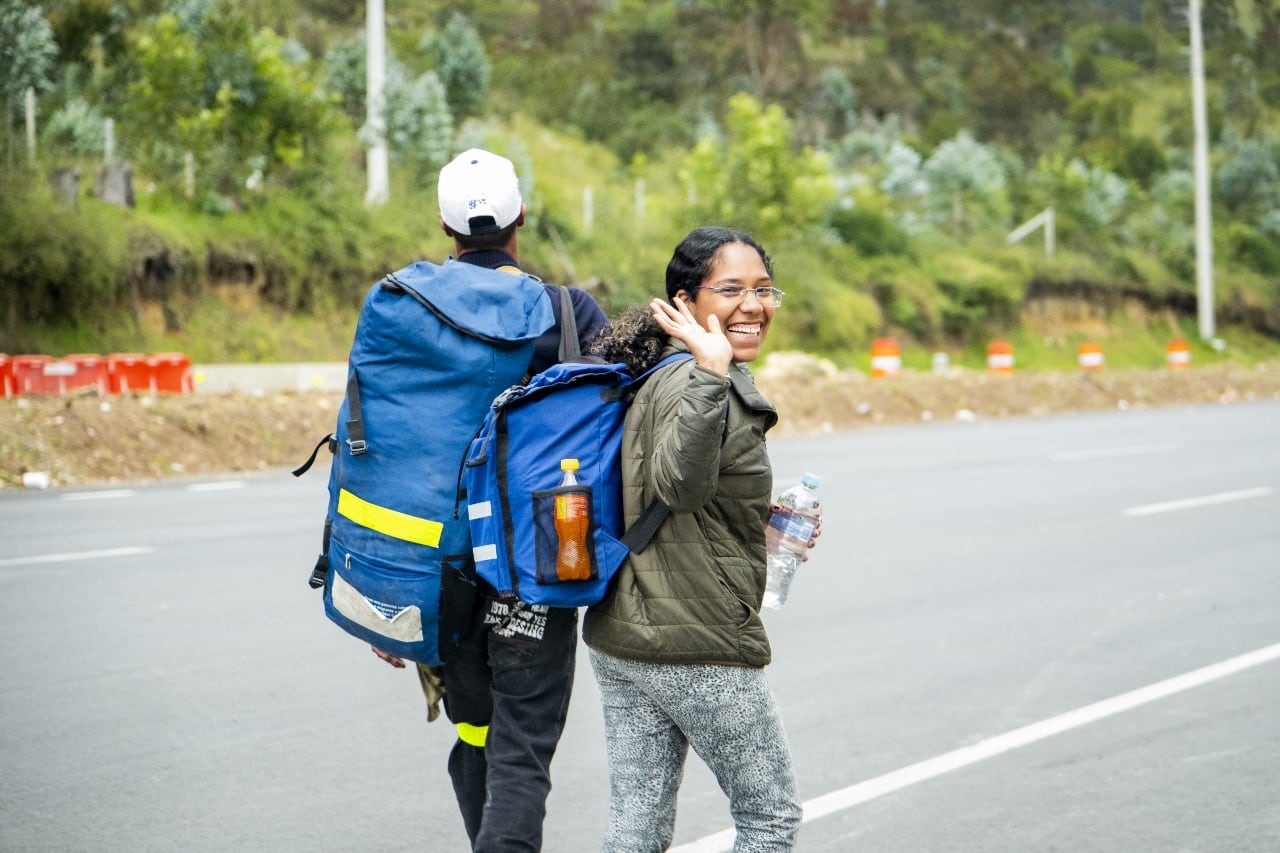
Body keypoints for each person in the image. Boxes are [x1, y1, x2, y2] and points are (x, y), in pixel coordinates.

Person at [371, 147, 608, 853]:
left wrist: (383, 591)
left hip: (436, 568)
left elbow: (381, 450)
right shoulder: (568, 313)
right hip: (535, 563)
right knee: (521, 746)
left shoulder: (409, 309)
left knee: (475, 732)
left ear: (445, 227)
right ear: (521, 217)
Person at [582, 226, 814, 852]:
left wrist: (758, 520)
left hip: (623, 632)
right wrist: (713, 373)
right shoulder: (701, 378)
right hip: (695, 638)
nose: (753, 305)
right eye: (731, 289)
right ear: (685, 301)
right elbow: (679, 487)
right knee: (769, 820)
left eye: (764, 289)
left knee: (637, 827)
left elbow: (674, 493)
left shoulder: (657, 371)